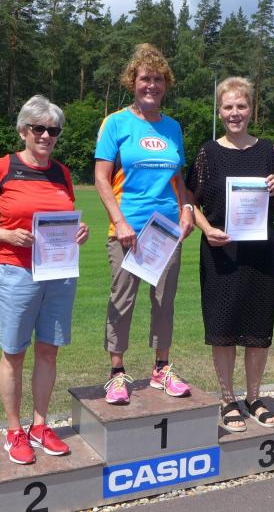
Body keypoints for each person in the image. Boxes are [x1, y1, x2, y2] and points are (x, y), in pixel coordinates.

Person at [0, 95, 89, 465]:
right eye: (39, 128)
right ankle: (14, 430)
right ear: (23, 131)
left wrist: (79, 231)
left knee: (49, 350)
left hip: (59, 274)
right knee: (14, 353)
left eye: (54, 130)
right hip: (16, 272)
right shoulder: (2, 168)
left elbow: (64, 219)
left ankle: (40, 425)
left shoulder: (62, 173)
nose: (47, 136)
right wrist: (6, 235)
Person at [94, 43, 194, 404]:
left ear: (166, 85)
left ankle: (161, 369)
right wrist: (119, 222)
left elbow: (178, 178)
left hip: (166, 230)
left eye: (158, 80)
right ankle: (116, 373)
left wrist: (186, 210)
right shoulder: (116, 123)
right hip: (128, 230)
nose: (151, 85)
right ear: (132, 82)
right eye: (145, 79)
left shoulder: (173, 128)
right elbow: (101, 178)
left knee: (164, 301)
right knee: (122, 301)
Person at [186, 76, 274, 432]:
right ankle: (227, 398)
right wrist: (206, 229)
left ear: (250, 109)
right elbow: (189, 201)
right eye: (228, 107)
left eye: (241, 106)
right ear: (220, 111)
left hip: (260, 252)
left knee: (259, 325)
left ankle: (254, 397)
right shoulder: (208, 153)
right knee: (223, 326)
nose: (234, 113)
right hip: (221, 251)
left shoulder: (269, 150)